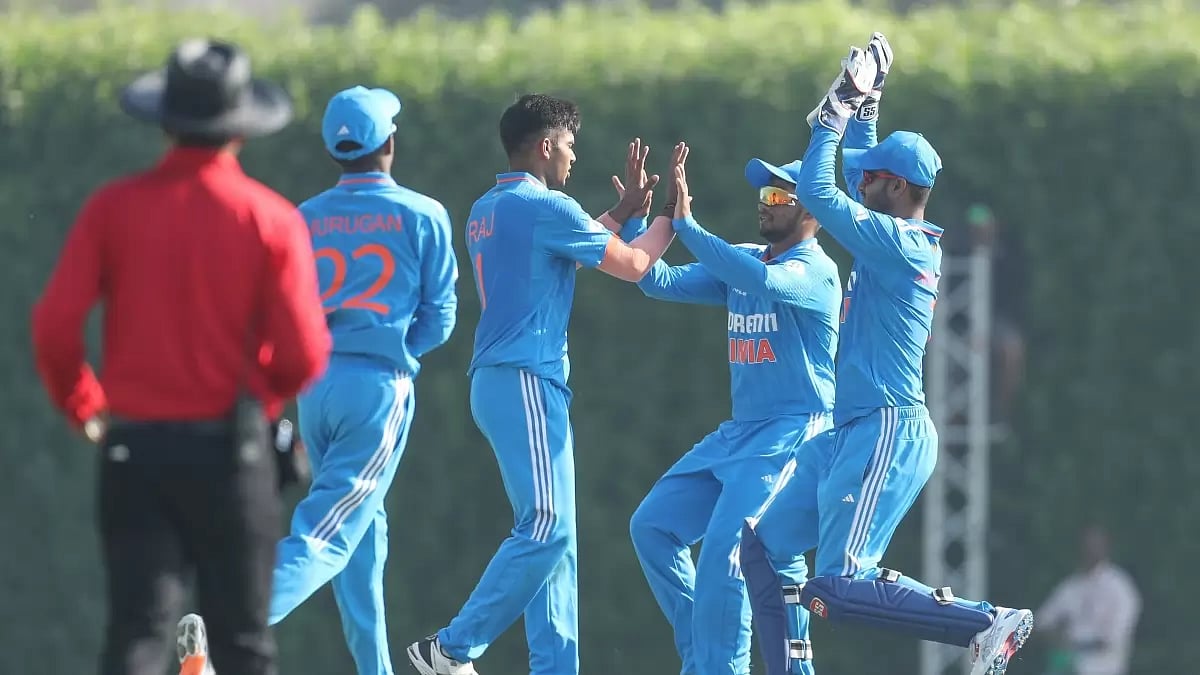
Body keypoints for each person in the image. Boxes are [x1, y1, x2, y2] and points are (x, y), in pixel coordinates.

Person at [733, 34, 1034, 675]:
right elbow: (850, 169)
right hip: (851, 430)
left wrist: (837, 109)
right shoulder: (888, 219)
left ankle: (986, 621)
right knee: (763, 547)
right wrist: (870, 99)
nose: (859, 178)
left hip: (886, 429)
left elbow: (819, 187)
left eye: (871, 178)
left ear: (895, 188)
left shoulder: (903, 243)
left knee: (837, 587)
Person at [30, 38, 331, 675]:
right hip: (232, 454)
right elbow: (305, 352)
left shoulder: (113, 209)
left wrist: (86, 404)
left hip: (134, 451)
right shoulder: (269, 219)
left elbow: (55, 326)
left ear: (165, 122)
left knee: (137, 635)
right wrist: (258, 402)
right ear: (242, 131)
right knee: (244, 645)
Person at [405, 93, 679, 675]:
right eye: (571, 146)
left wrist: (622, 212)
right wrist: (668, 220)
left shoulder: (492, 205)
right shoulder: (546, 206)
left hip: (504, 382)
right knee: (548, 528)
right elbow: (630, 265)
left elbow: (566, 252)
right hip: (527, 379)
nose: (575, 158)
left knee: (556, 540)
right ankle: (449, 650)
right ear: (546, 146)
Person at [267, 86, 459, 674]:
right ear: (390, 144)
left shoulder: (303, 218)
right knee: (327, 532)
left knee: (362, 531)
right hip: (377, 389)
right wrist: (395, 352)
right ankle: (234, 619)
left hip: (315, 390)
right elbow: (441, 317)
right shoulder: (423, 214)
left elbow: (286, 311)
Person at [626, 154, 841, 675]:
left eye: (778, 197)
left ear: (812, 209)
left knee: (729, 555)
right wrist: (641, 217)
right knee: (652, 527)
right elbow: (660, 281)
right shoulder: (747, 259)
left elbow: (764, 283)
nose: (764, 206)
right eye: (762, 196)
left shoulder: (815, 271)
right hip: (739, 434)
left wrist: (689, 226)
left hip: (796, 431)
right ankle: (704, 656)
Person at [1036, 526, 1142, 675]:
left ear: (1106, 547)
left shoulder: (1120, 587)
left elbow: (1113, 638)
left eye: (1096, 545)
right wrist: (1056, 637)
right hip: (1067, 666)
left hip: (1104, 668)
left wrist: (1073, 644)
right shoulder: (1071, 586)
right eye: (1087, 545)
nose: (1090, 550)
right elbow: (1041, 622)